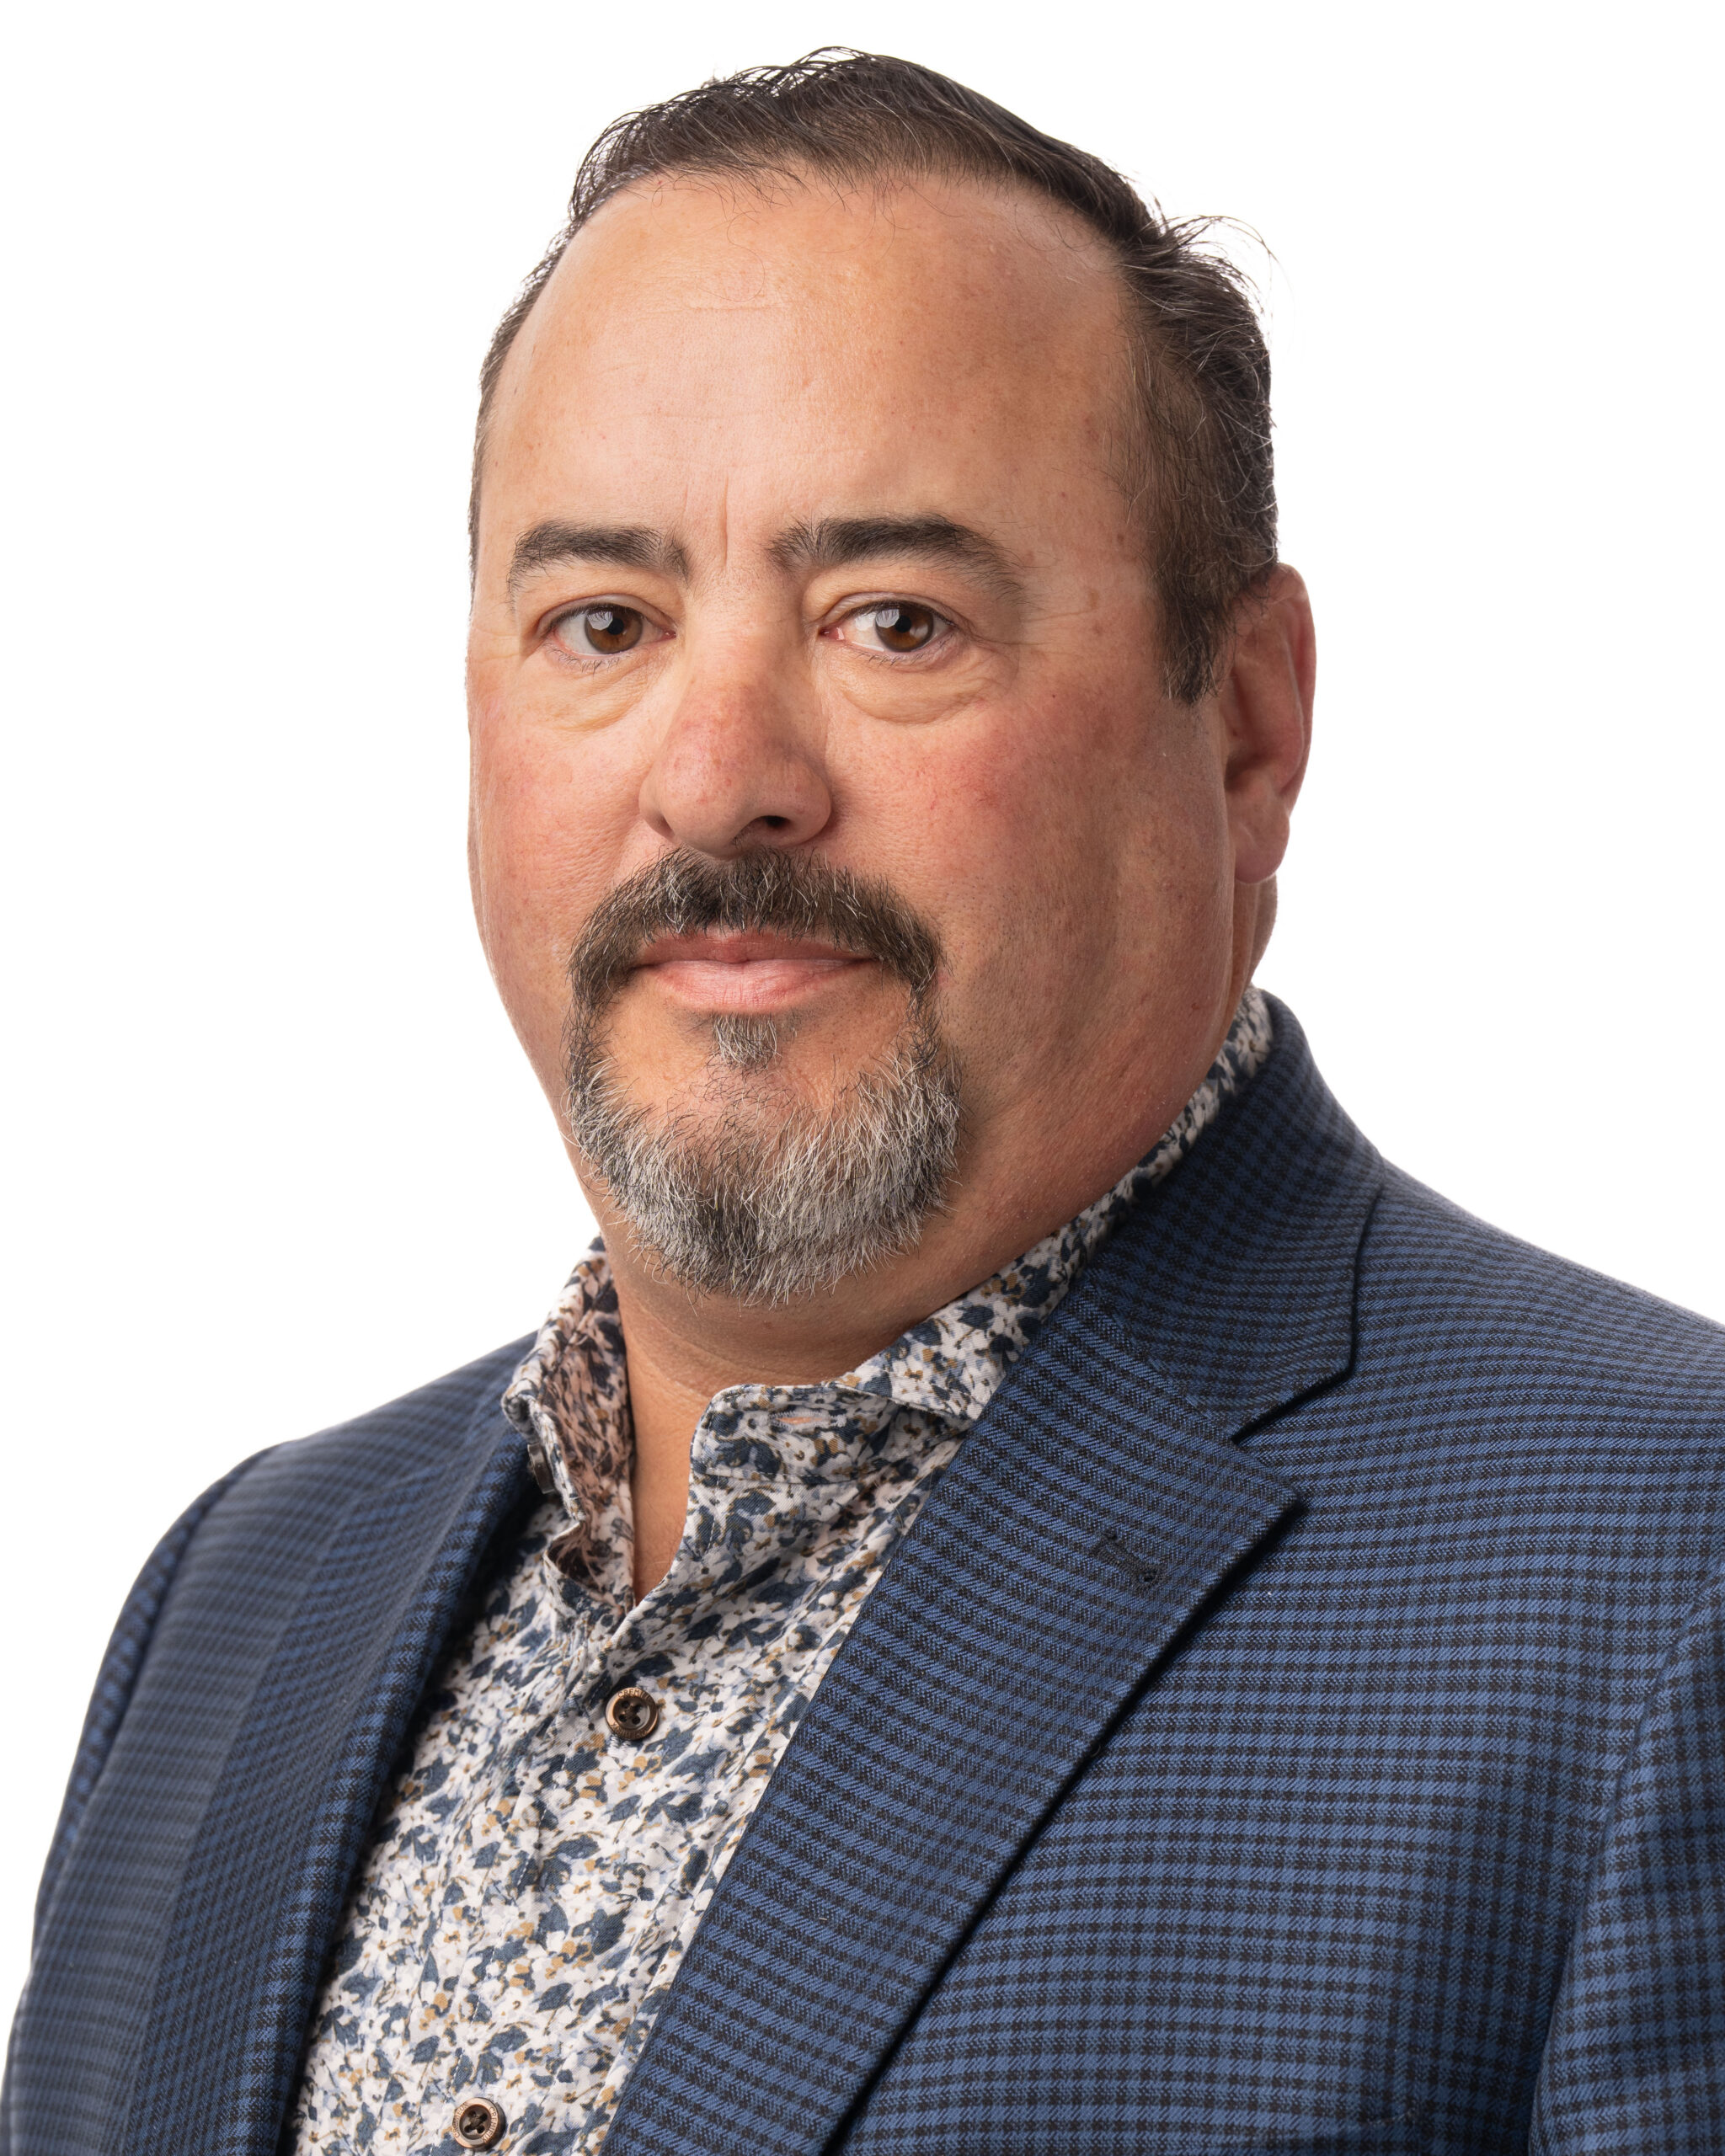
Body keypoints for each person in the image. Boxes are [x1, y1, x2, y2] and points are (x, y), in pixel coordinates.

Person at [7, 46, 1722, 2156]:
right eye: (604, 620)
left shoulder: (1661, 1578)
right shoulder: (241, 1597)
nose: (719, 773)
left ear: (1248, 729)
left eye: (894, 621)